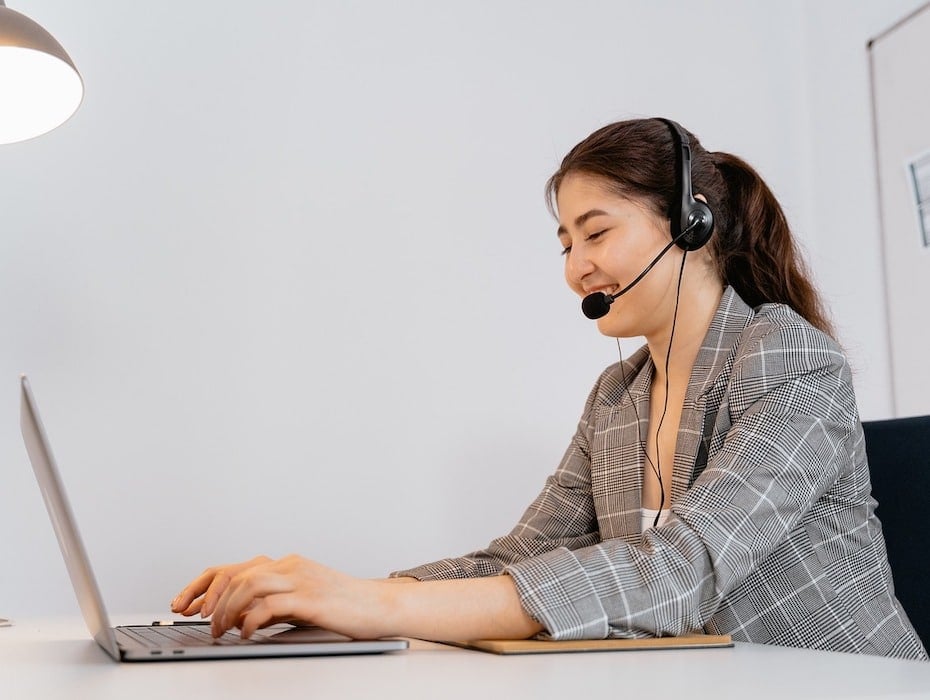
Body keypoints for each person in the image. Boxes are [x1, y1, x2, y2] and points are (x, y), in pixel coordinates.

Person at [171, 117, 927, 659]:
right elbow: (518, 557)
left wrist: (377, 607)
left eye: (596, 234)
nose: (575, 268)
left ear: (691, 225)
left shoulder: (793, 359)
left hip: (844, 682)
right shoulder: (618, 396)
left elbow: (682, 568)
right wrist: (335, 598)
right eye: (566, 243)